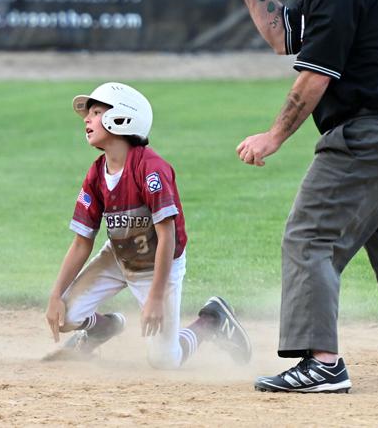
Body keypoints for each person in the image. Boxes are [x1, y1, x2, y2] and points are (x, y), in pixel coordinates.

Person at [222, 0, 378, 393]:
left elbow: (313, 79)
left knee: (310, 236)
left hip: (369, 133)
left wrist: (274, 136)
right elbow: (283, 37)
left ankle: (322, 364)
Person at [43, 82, 252, 368]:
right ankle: (102, 327)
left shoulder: (151, 169)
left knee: (165, 360)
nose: (87, 120)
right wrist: (55, 296)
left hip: (159, 267)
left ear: (121, 118)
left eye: (95, 112)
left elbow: (167, 237)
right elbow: (82, 242)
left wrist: (155, 296)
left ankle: (212, 320)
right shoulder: (96, 173)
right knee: (65, 315)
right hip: (118, 257)